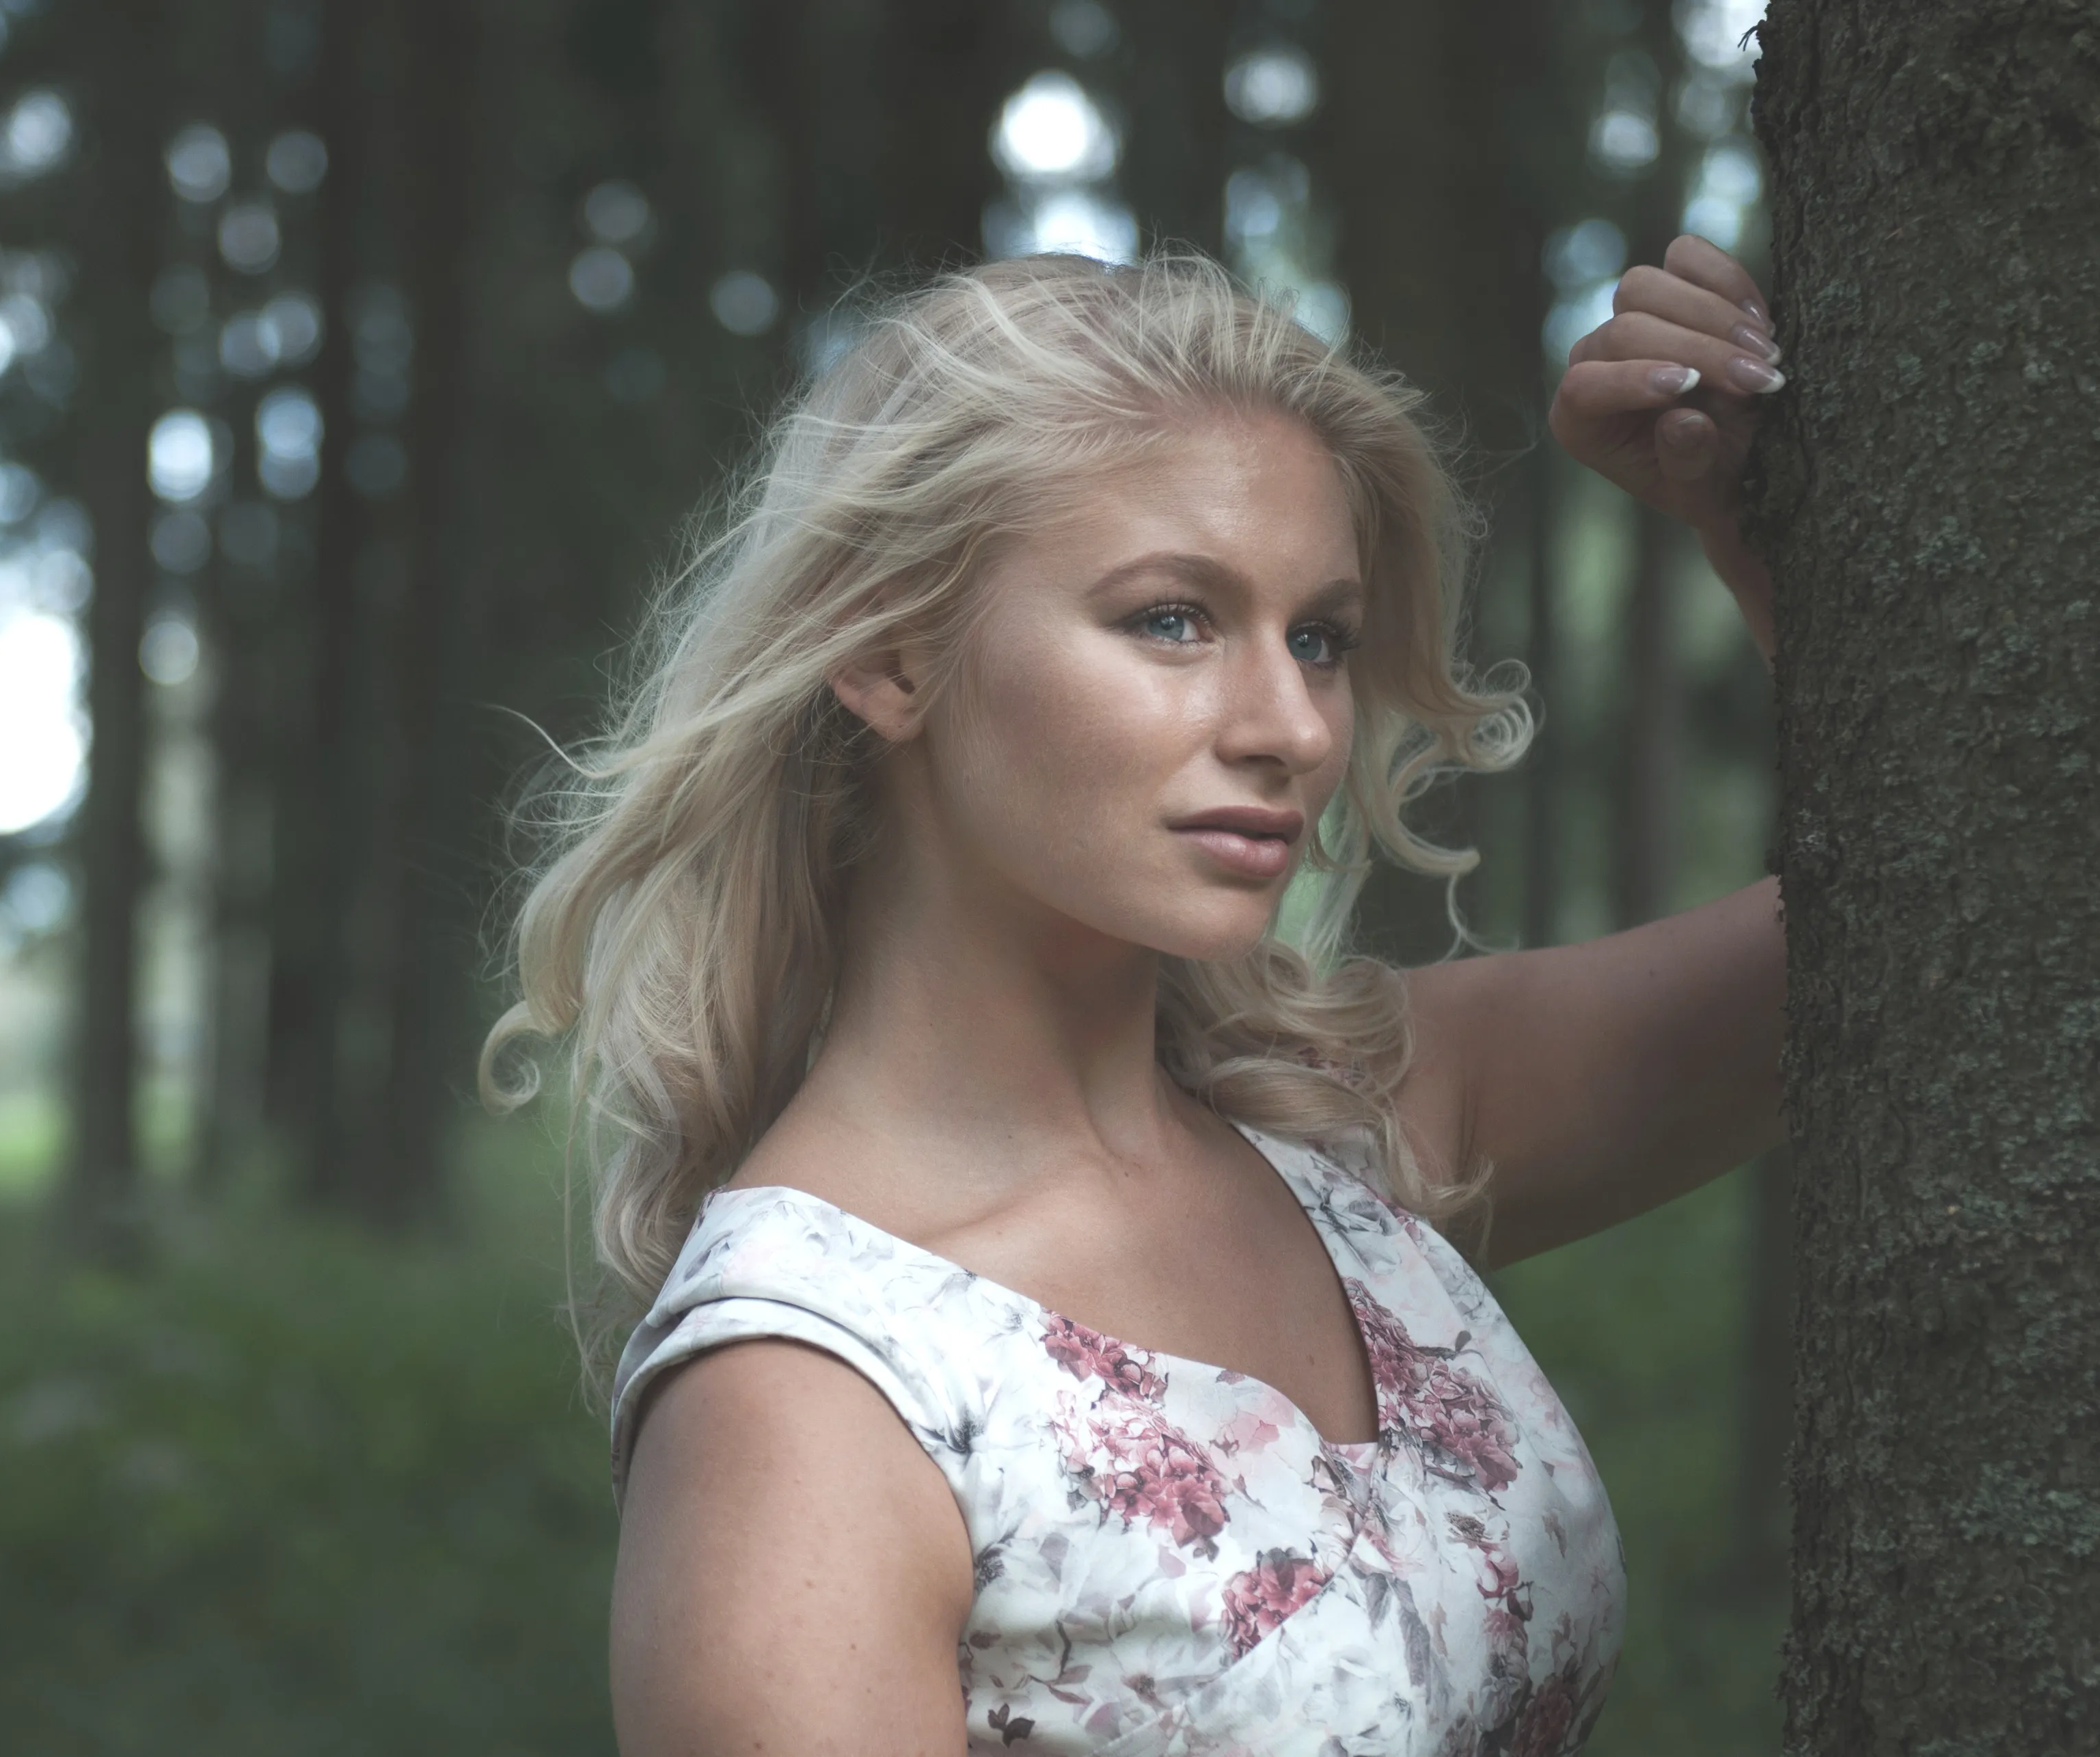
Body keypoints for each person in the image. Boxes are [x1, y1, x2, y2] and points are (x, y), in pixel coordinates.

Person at [484, 236, 1785, 1756]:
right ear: (890, 651)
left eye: (1320, 638)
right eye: (1173, 618)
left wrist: (1765, 537)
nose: (1295, 726)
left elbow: (1920, 945)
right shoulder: (810, 1387)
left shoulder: (1342, 1123)